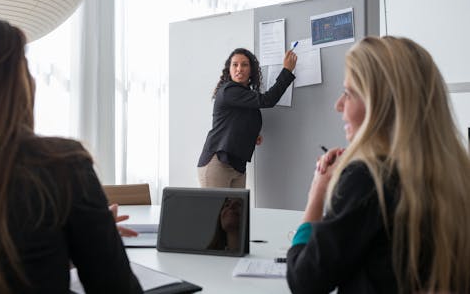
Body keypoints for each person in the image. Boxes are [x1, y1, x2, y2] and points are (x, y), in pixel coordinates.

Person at [0, 13, 142, 294]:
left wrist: (63, 244)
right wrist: (96, 243)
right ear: (15, 86)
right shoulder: (60, 165)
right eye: (26, 69)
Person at [286, 36, 470, 293]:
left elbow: (304, 279)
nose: (338, 105)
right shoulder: (456, 175)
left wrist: (317, 193)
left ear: (382, 104)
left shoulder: (368, 179)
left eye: (349, 93)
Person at [198, 47, 297, 188]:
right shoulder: (229, 90)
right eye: (235, 65)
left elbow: (239, 120)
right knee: (215, 210)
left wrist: (252, 134)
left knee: (237, 211)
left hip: (238, 165)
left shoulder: (245, 95)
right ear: (229, 69)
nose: (239, 69)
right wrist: (287, 71)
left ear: (251, 70)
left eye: (244, 65)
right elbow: (267, 100)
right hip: (218, 163)